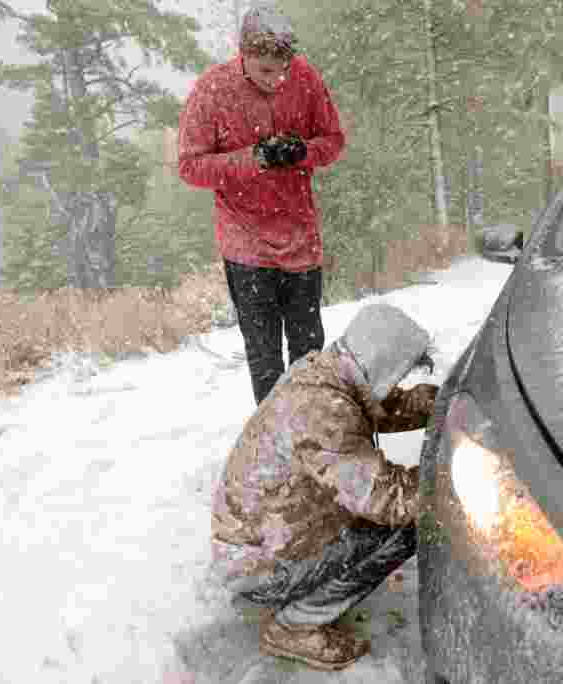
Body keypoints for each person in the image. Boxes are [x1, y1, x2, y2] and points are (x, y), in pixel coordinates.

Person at [210, 303, 439, 670]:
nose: (397, 384)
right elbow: (387, 499)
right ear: (380, 363)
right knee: (406, 525)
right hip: (259, 565)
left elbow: (373, 405)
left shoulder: (328, 372)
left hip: (260, 536)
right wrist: (446, 476)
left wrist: (431, 404)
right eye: (398, 376)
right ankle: (295, 626)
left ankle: (302, 599)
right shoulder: (324, 411)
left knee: (389, 513)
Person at [178, 2, 346, 405]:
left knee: (309, 353)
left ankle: (317, 434)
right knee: (265, 356)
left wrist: (301, 151)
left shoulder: (305, 79)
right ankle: (278, 447)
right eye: (267, 71)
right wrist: (251, 158)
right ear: (244, 55)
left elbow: (334, 141)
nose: (279, 79)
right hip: (246, 244)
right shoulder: (212, 90)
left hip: (300, 239)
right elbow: (189, 166)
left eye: (284, 69)